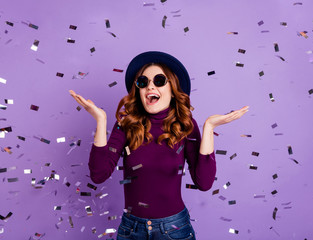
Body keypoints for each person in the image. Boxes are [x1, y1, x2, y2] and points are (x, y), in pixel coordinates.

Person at [69, 51, 249, 240]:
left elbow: (204, 183)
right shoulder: (126, 123)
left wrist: (209, 127)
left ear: (173, 90)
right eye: (143, 82)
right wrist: (101, 120)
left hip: (174, 229)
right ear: (138, 90)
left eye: (159, 80)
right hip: (131, 230)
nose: (150, 87)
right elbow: (98, 175)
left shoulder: (185, 125)